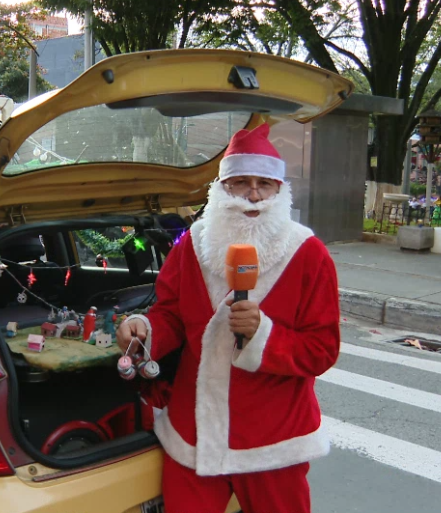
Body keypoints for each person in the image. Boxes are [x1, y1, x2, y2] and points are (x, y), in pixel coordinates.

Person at [116, 123, 340, 513]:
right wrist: (145, 331)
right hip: (194, 433)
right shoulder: (193, 245)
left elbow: (322, 349)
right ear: (221, 189)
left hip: (272, 442)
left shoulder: (309, 254)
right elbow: (170, 313)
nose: (253, 195)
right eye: (240, 183)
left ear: (280, 191)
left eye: (264, 184)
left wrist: (264, 334)